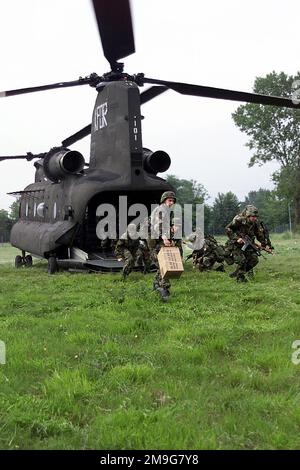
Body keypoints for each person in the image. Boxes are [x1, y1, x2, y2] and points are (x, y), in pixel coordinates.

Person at [224, 205, 273, 283]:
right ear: (248, 215)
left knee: (254, 259)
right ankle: (240, 278)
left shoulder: (255, 223)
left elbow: (260, 235)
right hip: (235, 244)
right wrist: (237, 238)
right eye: (253, 216)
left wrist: (265, 245)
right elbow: (227, 229)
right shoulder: (239, 219)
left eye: (256, 216)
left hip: (247, 243)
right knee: (242, 260)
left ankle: (239, 273)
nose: (255, 218)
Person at [148, 191, 176, 301]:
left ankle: (156, 284)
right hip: (155, 240)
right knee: (165, 263)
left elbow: (166, 227)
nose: (171, 202)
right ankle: (164, 288)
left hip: (158, 239)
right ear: (164, 200)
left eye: (173, 201)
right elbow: (158, 226)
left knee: (161, 264)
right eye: (169, 200)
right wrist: (164, 237)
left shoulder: (167, 211)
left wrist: (170, 238)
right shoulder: (161, 210)